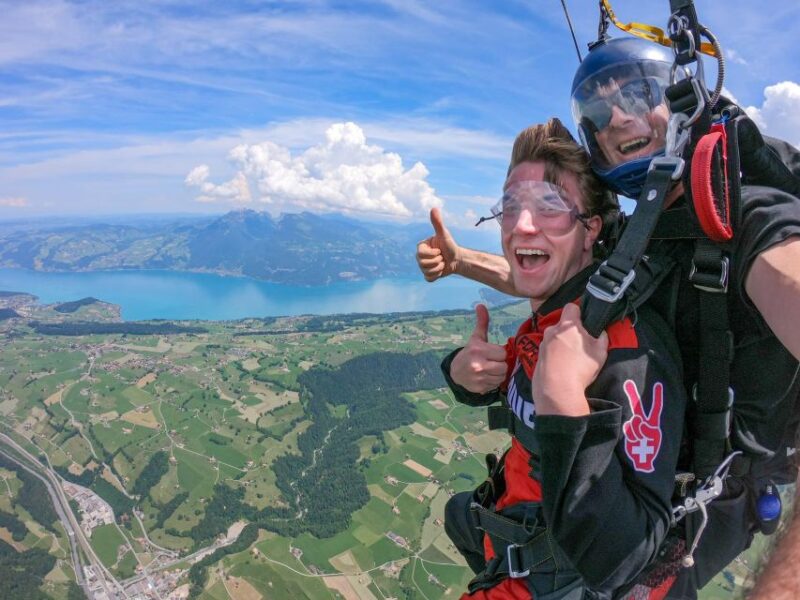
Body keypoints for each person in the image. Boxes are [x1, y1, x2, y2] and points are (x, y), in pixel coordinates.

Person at [419, 36, 800, 599]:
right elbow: (557, 271)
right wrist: (461, 264)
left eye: (638, 92)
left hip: (703, 506)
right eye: (597, 111)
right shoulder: (641, 233)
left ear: (684, 100)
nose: (617, 117)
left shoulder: (752, 223)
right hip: (633, 487)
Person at [441, 118, 686, 599]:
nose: (521, 225)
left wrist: (565, 399)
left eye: (550, 206)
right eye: (510, 207)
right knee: (456, 516)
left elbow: (629, 556)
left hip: (548, 576)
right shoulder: (553, 318)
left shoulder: (624, 348)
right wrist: (459, 371)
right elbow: (510, 377)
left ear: (590, 228)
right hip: (512, 523)